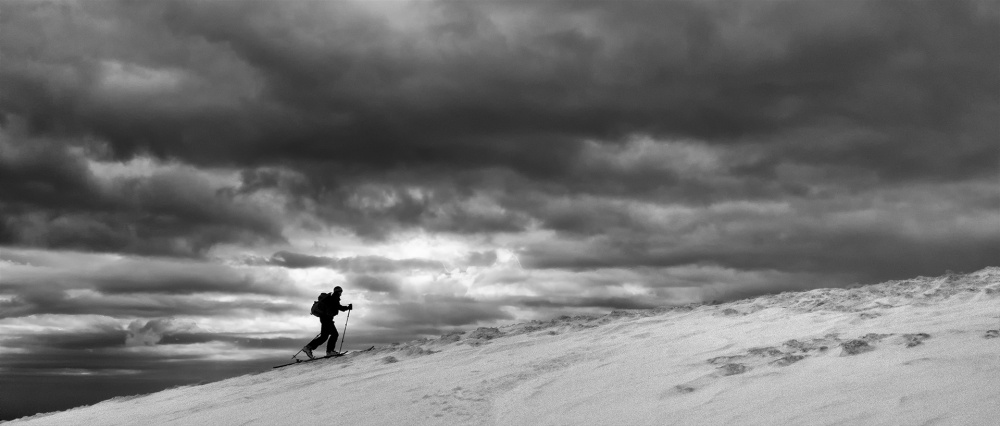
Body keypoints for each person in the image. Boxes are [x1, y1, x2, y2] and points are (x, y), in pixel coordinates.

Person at [303, 286, 352, 359]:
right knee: (334, 334)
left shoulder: (331, 298)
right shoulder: (334, 298)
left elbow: (335, 307)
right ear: (339, 292)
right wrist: (348, 307)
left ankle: (309, 347)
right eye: (340, 292)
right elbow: (338, 307)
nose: (341, 293)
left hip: (325, 318)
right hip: (327, 319)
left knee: (324, 337)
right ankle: (329, 351)